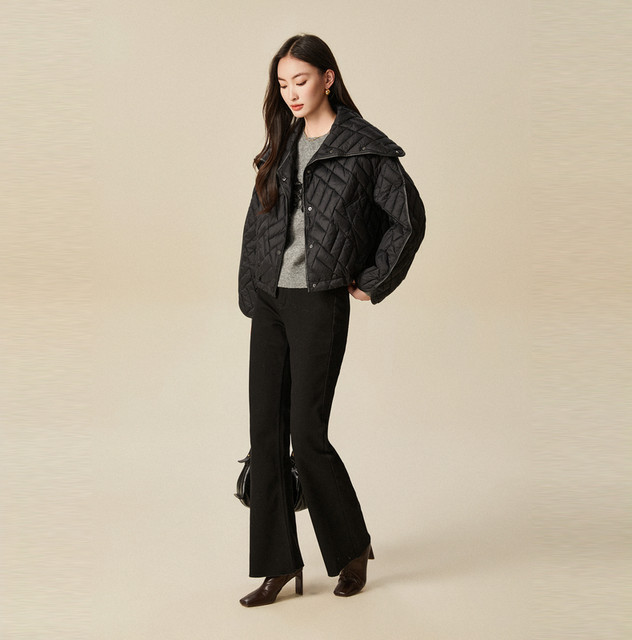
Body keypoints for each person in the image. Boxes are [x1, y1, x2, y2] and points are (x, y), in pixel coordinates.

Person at [237, 33, 426, 607]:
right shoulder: (281, 143)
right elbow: (258, 222)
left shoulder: (362, 147)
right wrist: (251, 290)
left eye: (300, 80)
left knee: (307, 433)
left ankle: (350, 549)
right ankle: (277, 565)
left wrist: (373, 279)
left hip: (318, 300)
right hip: (271, 300)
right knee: (265, 433)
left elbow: (409, 219)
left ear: (328, 77)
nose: (291, 93)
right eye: (282, 84)